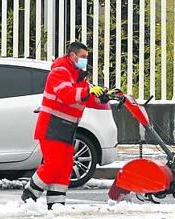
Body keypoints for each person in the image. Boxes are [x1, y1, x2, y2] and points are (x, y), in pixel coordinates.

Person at [21, 41, 109, 209]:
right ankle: (30, 193)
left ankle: (56, 204)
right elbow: (67, 94)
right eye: (83, 57)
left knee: (65, 166)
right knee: (53, 164)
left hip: (66, 128)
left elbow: (85, 98)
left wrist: (101, 97)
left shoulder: (79, 76)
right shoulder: (60, 72)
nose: (85, 60)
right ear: (73, 55)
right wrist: (87, 91)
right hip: (52, 126)